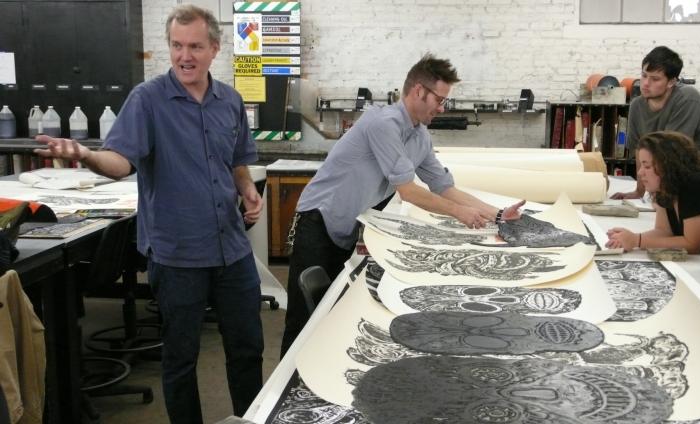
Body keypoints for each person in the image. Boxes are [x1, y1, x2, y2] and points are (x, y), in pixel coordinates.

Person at [33, 5, 263, 422]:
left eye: (194, 46)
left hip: (232, 250)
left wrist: (246, 189)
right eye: (176, 46)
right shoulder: (148, 100)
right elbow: (120, 162)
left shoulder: (229, 100)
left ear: (215, 48)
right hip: (178, 255)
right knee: (180, 359)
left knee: (248, 349)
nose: (184, 55)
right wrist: (87, 155)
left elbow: (238, 160)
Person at [280, 53, 524, 356]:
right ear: (419, 91)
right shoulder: (383, 123)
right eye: (439, 99)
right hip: (318, 221)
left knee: (330, 313)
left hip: (344, 228)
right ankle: (281, 391)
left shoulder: (419, 137)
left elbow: (444, 187)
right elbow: (408, 191)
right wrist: (461, 213)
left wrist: (497, 214)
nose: (442, 107)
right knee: (304, 319)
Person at [611, 46, 700, 199]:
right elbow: (640, 152)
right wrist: (639, 192)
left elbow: (673, 152)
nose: (645, 83)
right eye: (644, 75)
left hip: (696, 180)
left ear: (671, 82)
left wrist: (660, 195)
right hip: (663, 179)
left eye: (655, 79)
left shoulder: (687, 98)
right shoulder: (637, 105)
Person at [606, 131, 700, 253]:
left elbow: (693, 244)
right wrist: (628, 238)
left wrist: (637, 240)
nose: (639, 173)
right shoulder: (666, 186)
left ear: (668, 166)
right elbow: (663, 232)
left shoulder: (696, 185)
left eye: (647, 166)